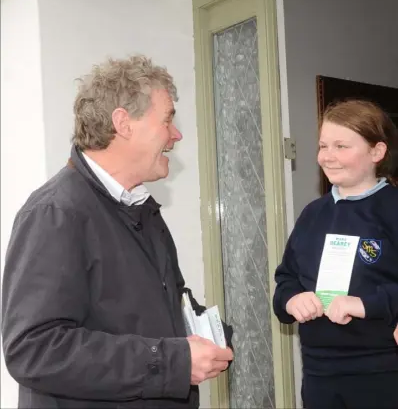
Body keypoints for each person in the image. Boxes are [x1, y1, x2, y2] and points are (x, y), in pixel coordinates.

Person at [2, 55, 233, 409]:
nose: (176, 135)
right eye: (168, 120)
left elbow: (151, 309)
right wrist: (173, 360)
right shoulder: (55, 212)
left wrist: (205, 336)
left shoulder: (143, 209)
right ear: (123, 123)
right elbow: (34, 349)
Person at [273, 99, 398, 409]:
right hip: (318, 373)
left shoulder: (393, 209)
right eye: (323, 146)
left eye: (342, 146)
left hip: (381, 372)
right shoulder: (312, 214)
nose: (327, 157)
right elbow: (286, 279)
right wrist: (292, 299)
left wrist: (364, 304)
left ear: (377, 152)